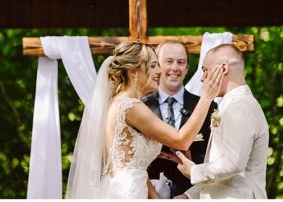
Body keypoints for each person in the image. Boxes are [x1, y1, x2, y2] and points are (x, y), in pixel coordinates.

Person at [66, 41, 225, 199]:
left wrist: (156, 198)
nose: (159, 71)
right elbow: (180, 140)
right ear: (133, 71)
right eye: (153, 66)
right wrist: (207, 97)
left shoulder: (119, 103)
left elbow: (134, 166)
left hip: (127, 188)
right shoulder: (131, 106)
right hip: (127, 193)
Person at [176, 43, 270, 199]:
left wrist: (194, 171)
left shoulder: (241, 106)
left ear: (224, 69)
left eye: (205, 70)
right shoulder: (230, 105)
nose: (202, 78)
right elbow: (223, 174)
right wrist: (189, 195)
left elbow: (233, 164)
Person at [143, 41, 213, 197]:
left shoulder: (207, 107)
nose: (175, 68)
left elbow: (215, 160)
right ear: (157, 66)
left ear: (187, 68)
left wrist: (190, 195)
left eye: (181, 62)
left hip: (191, 194)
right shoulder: (140, 107)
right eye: (169, 61)